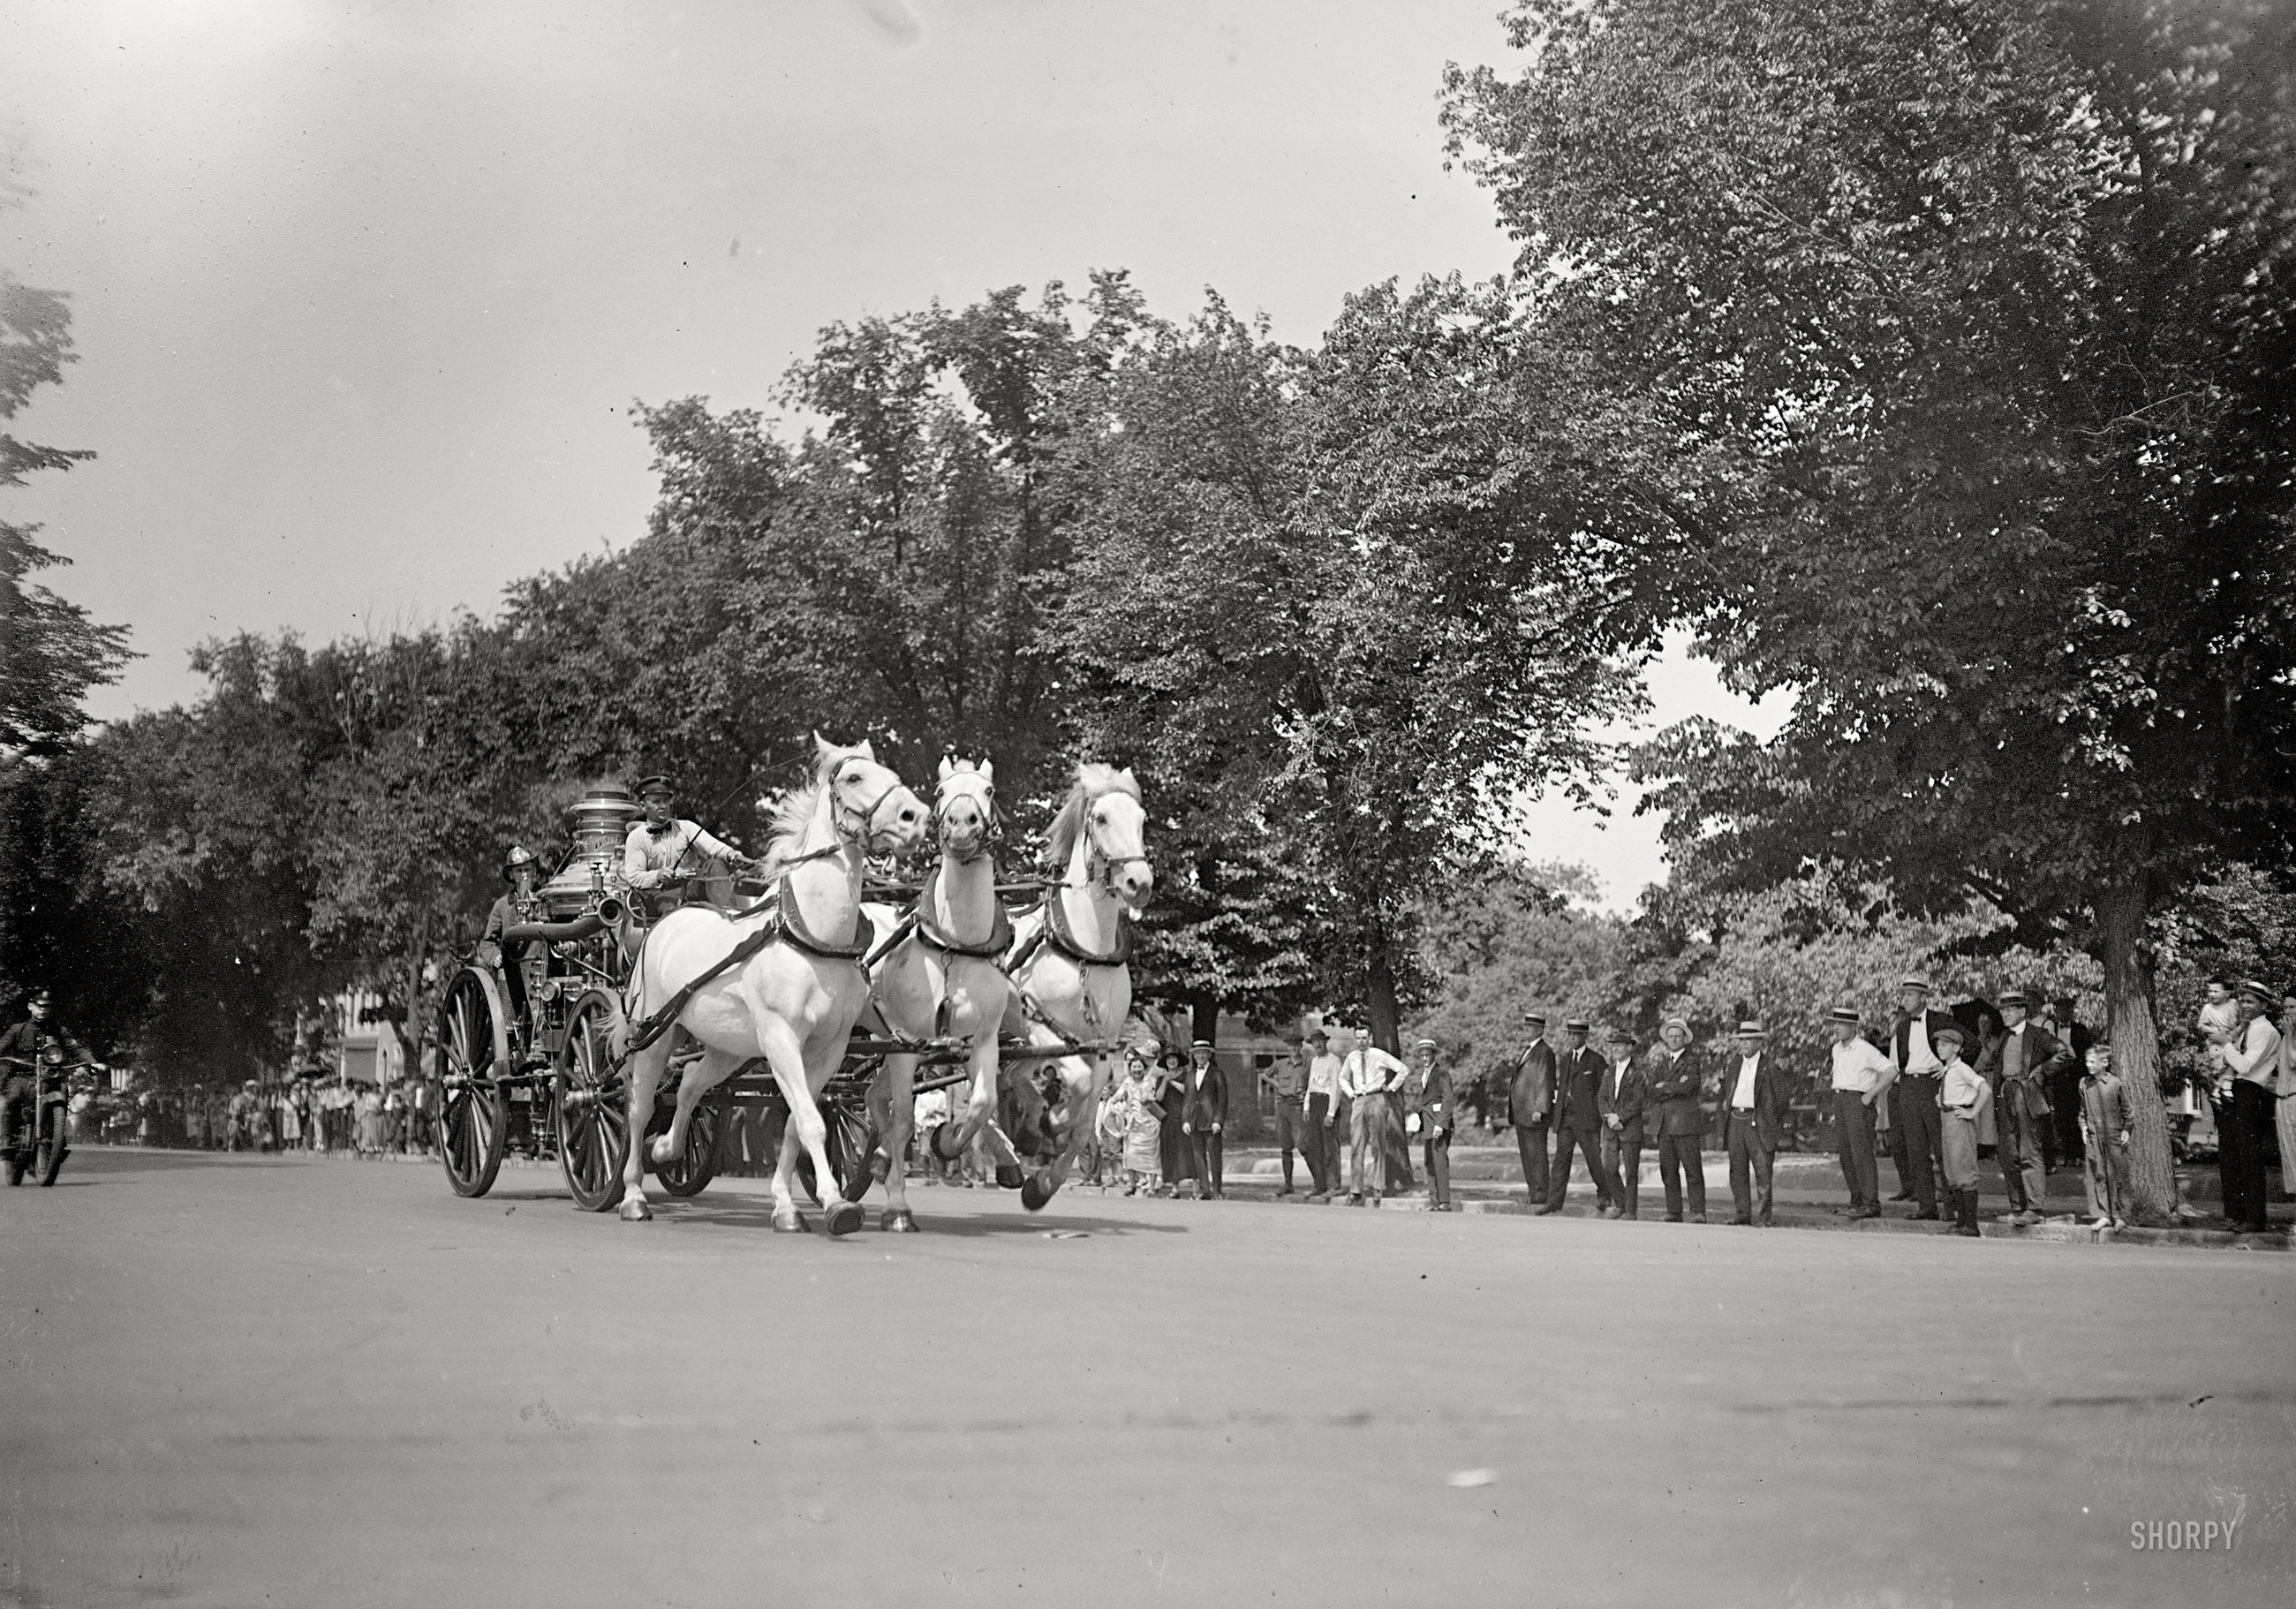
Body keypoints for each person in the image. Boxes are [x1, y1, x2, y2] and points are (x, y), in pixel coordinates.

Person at [1976, 988, 2070, 1225]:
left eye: (2010, 1010)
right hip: (2004, 1095)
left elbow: (2064, 1053)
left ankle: (2035, 1208)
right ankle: (2018, 1208)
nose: (2005, 1014)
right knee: (2008, 1153)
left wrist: (2040, 1072)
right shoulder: (2004, 1037)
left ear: (2022, 1011)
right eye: (2003, 1010)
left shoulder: (2038, 1034)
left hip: (2025, 1094)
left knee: (2029, 1150)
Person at [2208, 979, 2281, 1235]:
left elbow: (2245, 1066)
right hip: (2231, 1092)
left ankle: (2254, 1217)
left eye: (2250, 1001)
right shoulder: (2242, 1030)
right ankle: (2234, 1214)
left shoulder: (2268, 1032)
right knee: (2229, 1156)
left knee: (2249, 1157)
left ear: (2264, 1005)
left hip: (2250, 1092)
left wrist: (2225, 1043)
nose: (2245, 1006)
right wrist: (2224, 1044)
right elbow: (2221, 1060)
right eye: (2242, 1001)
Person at [622, 774, 759, 908]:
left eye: (666, 800)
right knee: (672, 912)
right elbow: (634, 877)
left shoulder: (686, 827)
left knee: (714, 864)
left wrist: (732, 855)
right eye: (657, 802)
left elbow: (713, 847)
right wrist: (658, 875)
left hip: (690, 887)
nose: (663, 806)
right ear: (643, 806)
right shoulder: (636, 838)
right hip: (659, 895)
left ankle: (729, 918)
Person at [1887, 975, 1954, 1220]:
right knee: (1916, 1151)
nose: (1904, 999)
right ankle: (1927, 1207)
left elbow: (1970, 1044)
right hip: (1909, 1087)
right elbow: (1902, 1061)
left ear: (1923, 998)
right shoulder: (1903, 1026)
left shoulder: (1941, 1020)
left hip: (1932, 1086)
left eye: (1909, 995)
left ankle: (1952, 1207)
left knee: (1941, 1149)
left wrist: (1947, 1067)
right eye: (1903, 995)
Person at [1828, 1006, 1893, 1220]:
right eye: (1834, 1023)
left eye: (1840, 1024)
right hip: (1840, 1100)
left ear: (1853, 1026)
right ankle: (1856, 1201)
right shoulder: (1836, 1049)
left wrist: (1870, 1095)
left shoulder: (1865, 1049)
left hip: (1858, 1101)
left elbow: (1891, 1071)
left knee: (1861, 1154)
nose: (1836, 1028)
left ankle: (1870, 1203)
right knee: (1846, 1154)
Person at [1545, 1019, 1614, 1216]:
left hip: (1587, 1120)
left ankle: (1604, 1194)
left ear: (1585, 1036)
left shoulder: (1596, 1060)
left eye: (1576, 1035)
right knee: (1560, 1161)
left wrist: (1599, 1113)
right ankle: (1554, 1202)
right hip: (1566, 1119)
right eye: (1570, 1034)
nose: (1572, 1038)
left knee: (1594, 1160)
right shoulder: (1566, 1060)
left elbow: (1605, 1089)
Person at [1722, 1021, 1788, 1226]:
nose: (1743, 1044)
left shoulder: (1769, 1067)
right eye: (1741, 1040)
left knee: (1762, 1171)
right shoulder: (1734, 1064)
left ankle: (1763, 1217)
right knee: (1737, 1170)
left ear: (1759, 1042)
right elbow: (1725, 1093)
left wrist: (1770, 1122)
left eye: (1748, 1040)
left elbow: (1781, 1101)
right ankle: (1742, 1213)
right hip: (1735, 1120)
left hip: (1758, 1121)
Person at [1644, 1016, 1707, 1223]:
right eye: (1670, 1036)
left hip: (1685, 1124)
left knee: (1692, 1169)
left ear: (1684, 1039)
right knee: (1668, 1171)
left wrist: (1666, 1086)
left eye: (1677, 1036)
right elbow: (1651, 1090)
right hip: (1664, 1125)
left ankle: (1698, 1211)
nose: (1673, 1040)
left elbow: (1689, 1086)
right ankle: (1674, 1211)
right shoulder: (1661, 1063)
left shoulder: (1692, 1061)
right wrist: (1671, 1086)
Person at [480, 846, 546, 1030]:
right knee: (510, 1026)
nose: (524, 875)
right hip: (513, 974)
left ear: (534, 870)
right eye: (519, 871)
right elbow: (487, 943)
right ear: (512, 875)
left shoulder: (546, 899)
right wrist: (494, 957)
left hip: (543, 970)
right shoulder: (502, 906)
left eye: (527, 869)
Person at [1935, 1023, 1990, 1237]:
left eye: (1945, 1044)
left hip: (1959, 1121)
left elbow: (1984, 1088)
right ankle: (1961, 1222)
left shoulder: (1962, 1069)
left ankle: (1970, 1224)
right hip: (1947, 1118)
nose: (1940, 1048)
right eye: (1938, 1044)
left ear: (1957, 1048)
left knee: (1964, 1171)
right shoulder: (1948, 1070)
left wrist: (1972, 1112)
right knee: (1952, 1172)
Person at [1340, 1027, 1406, 1206]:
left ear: (1370, 1039)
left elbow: (1403, 1070)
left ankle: (1378, 1186)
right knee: (1356, 1145)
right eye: (1358, 1038)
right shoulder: (1352, 1058)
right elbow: (1343, 1078)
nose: (1361, 1041)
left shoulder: (1378, 1055)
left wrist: (1391, 1087)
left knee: (1377, 1144)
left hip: (1377, 1099)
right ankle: (1356, 1190)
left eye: (1364, 1038)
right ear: (1355, 1039)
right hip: (1359, 1101)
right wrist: (1350, 1093)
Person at [2074, 1043, 2133, 1230]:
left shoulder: (2115, 1083)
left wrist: (2126, 1129)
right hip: (2093, 1135)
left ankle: (2120, 1215)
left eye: (2093, 1062)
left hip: (2113, 1134)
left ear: (2105, 1062)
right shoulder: (2085, 1084)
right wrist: (2083, 1127)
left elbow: (2128, 1111)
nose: (2089, 1065)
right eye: (2087, 1062)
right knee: (2097, 1174)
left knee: (2117, 1174)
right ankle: (2102, 1214)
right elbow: (2083, 1111)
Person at [1597, 1026, 1649, 1220]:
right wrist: (1609, 1117)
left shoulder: (1639, 1072)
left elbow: (1638, 1101)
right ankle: (1620, 1203)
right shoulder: (1608, 1072)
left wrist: (1620, 1117)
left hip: (1630, 1128)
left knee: (1631, 1170)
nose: (1616, 1049)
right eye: (1613, 1045)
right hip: (1610, 1127)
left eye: (1620, 1045)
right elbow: (1601, 1098)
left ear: (1629, 1047)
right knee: (1608, 1166)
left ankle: (1630, 1210)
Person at [1507, 1012, 1556, 1210]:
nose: (1525, 1030)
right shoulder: (1529, 1050)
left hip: (1533, 1114)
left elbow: (1546, 1082)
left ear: (1539, 1029)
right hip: (1522, 1113)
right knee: (1528, 1156)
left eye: (1529, 1027)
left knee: (1537, 1155)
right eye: (1525, 1027)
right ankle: (1533, 1192)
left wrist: (1540, 1109)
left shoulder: (1544, 1051)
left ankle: (1540, 1194)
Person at [1401, 1038, 1455, 1211]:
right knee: (1429, 1163)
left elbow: (1448, 1101)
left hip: (1439, 1126)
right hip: (1428, 1125)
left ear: (1434, 1055)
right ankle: (1435, 1201)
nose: (1424, 1058)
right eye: (1422, 1055)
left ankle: (1444, 1201)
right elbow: (1428, 1103)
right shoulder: (1424, 1075)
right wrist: (1417, 1117)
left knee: (1439, 1162)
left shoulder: (1441, 1074)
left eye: (1427, 1055)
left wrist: (1441, 1124)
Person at [1107, 1048, 1165, 1196]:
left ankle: (1152, 1187)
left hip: (1150, 1124)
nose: (1137, 1069)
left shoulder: (1151, 1081)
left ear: (1144, 1068)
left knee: (1152, 1158)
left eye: (1139, 1066)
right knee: (1130, 1155)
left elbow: (1159, 1098)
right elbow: (1118, 1095)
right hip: (1133, 1125)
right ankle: (1132, 1185)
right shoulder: (1127, 1082)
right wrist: (1112, 1101)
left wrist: (1150, 1100)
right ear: (1130, 1069)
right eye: (1134, 1067)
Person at [1180, 1039, 1227, 1200]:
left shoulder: (1217, 1073)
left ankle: (1217, 1191)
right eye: (1197, 1053)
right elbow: (1187, 1099)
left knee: (1214, 1156)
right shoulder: (1190, 1075)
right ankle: (1204, 1190)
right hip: (1194, 1121)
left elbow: (1222, 1100)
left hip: (1211, 1120)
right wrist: (1185, 1120)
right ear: (1193, 1056)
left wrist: (1218, 1121)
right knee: (1198, 1157)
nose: (1200, 1056)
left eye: (1203, 1053)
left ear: (1208, 1055)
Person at [1303, 1028, 1343, 1202]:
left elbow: (1336, 1087)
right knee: (1314, 1147)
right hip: (1314, 1103)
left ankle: (1334, 1186)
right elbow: (1310, 1086)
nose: (1317, 1044)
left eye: (1320, 1041)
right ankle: (1319, 1185)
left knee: (1330, 1149)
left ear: (1325, 1042)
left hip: (1328, 1103)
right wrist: (1306, 1107)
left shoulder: (1334, 1060)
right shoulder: (1314, 1061)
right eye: (1314, 1042)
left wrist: (1331, 1113)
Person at [1269, 1036, 1311, 1197]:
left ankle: (1319, 1183)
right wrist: (1278, 1085)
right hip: (1283, 1106)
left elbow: (1313, 1082)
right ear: (1287, 1047)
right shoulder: (1280, 1064)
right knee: (1285, 1147)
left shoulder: (1307, 1065)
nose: (1293, 1048)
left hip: (1298, 1107)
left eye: (1295, 1045)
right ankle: (1288, 1184)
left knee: (1302, 1145)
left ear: (1300, 1046)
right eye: (1290, 1046)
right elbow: (1265, 1075)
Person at [1152, 1047, 1192, 1197]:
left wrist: (1174, 1083)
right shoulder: (1161, 1079)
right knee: (1171, 1154)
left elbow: (1190, 1093)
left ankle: (1196, 1186)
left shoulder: (1187, 1076)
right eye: (1169, 1059)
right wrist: (1165, 1080)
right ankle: (1175, 1188)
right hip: (1168, 1119)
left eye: (1174, 1058)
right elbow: (1159, 1097)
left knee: (1188, 1152)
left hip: (1185, 1117)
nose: (1171, 1061)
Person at [2277, 987, 2296, 1202]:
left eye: (2292, 1007)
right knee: (2290, 1159)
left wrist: (2289, 1034)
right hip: (2283, 1101)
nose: (2287, 1012)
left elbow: (2293, 1062)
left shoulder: (2290, 1036)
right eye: (2285, 1007)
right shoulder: (2285, 1037)